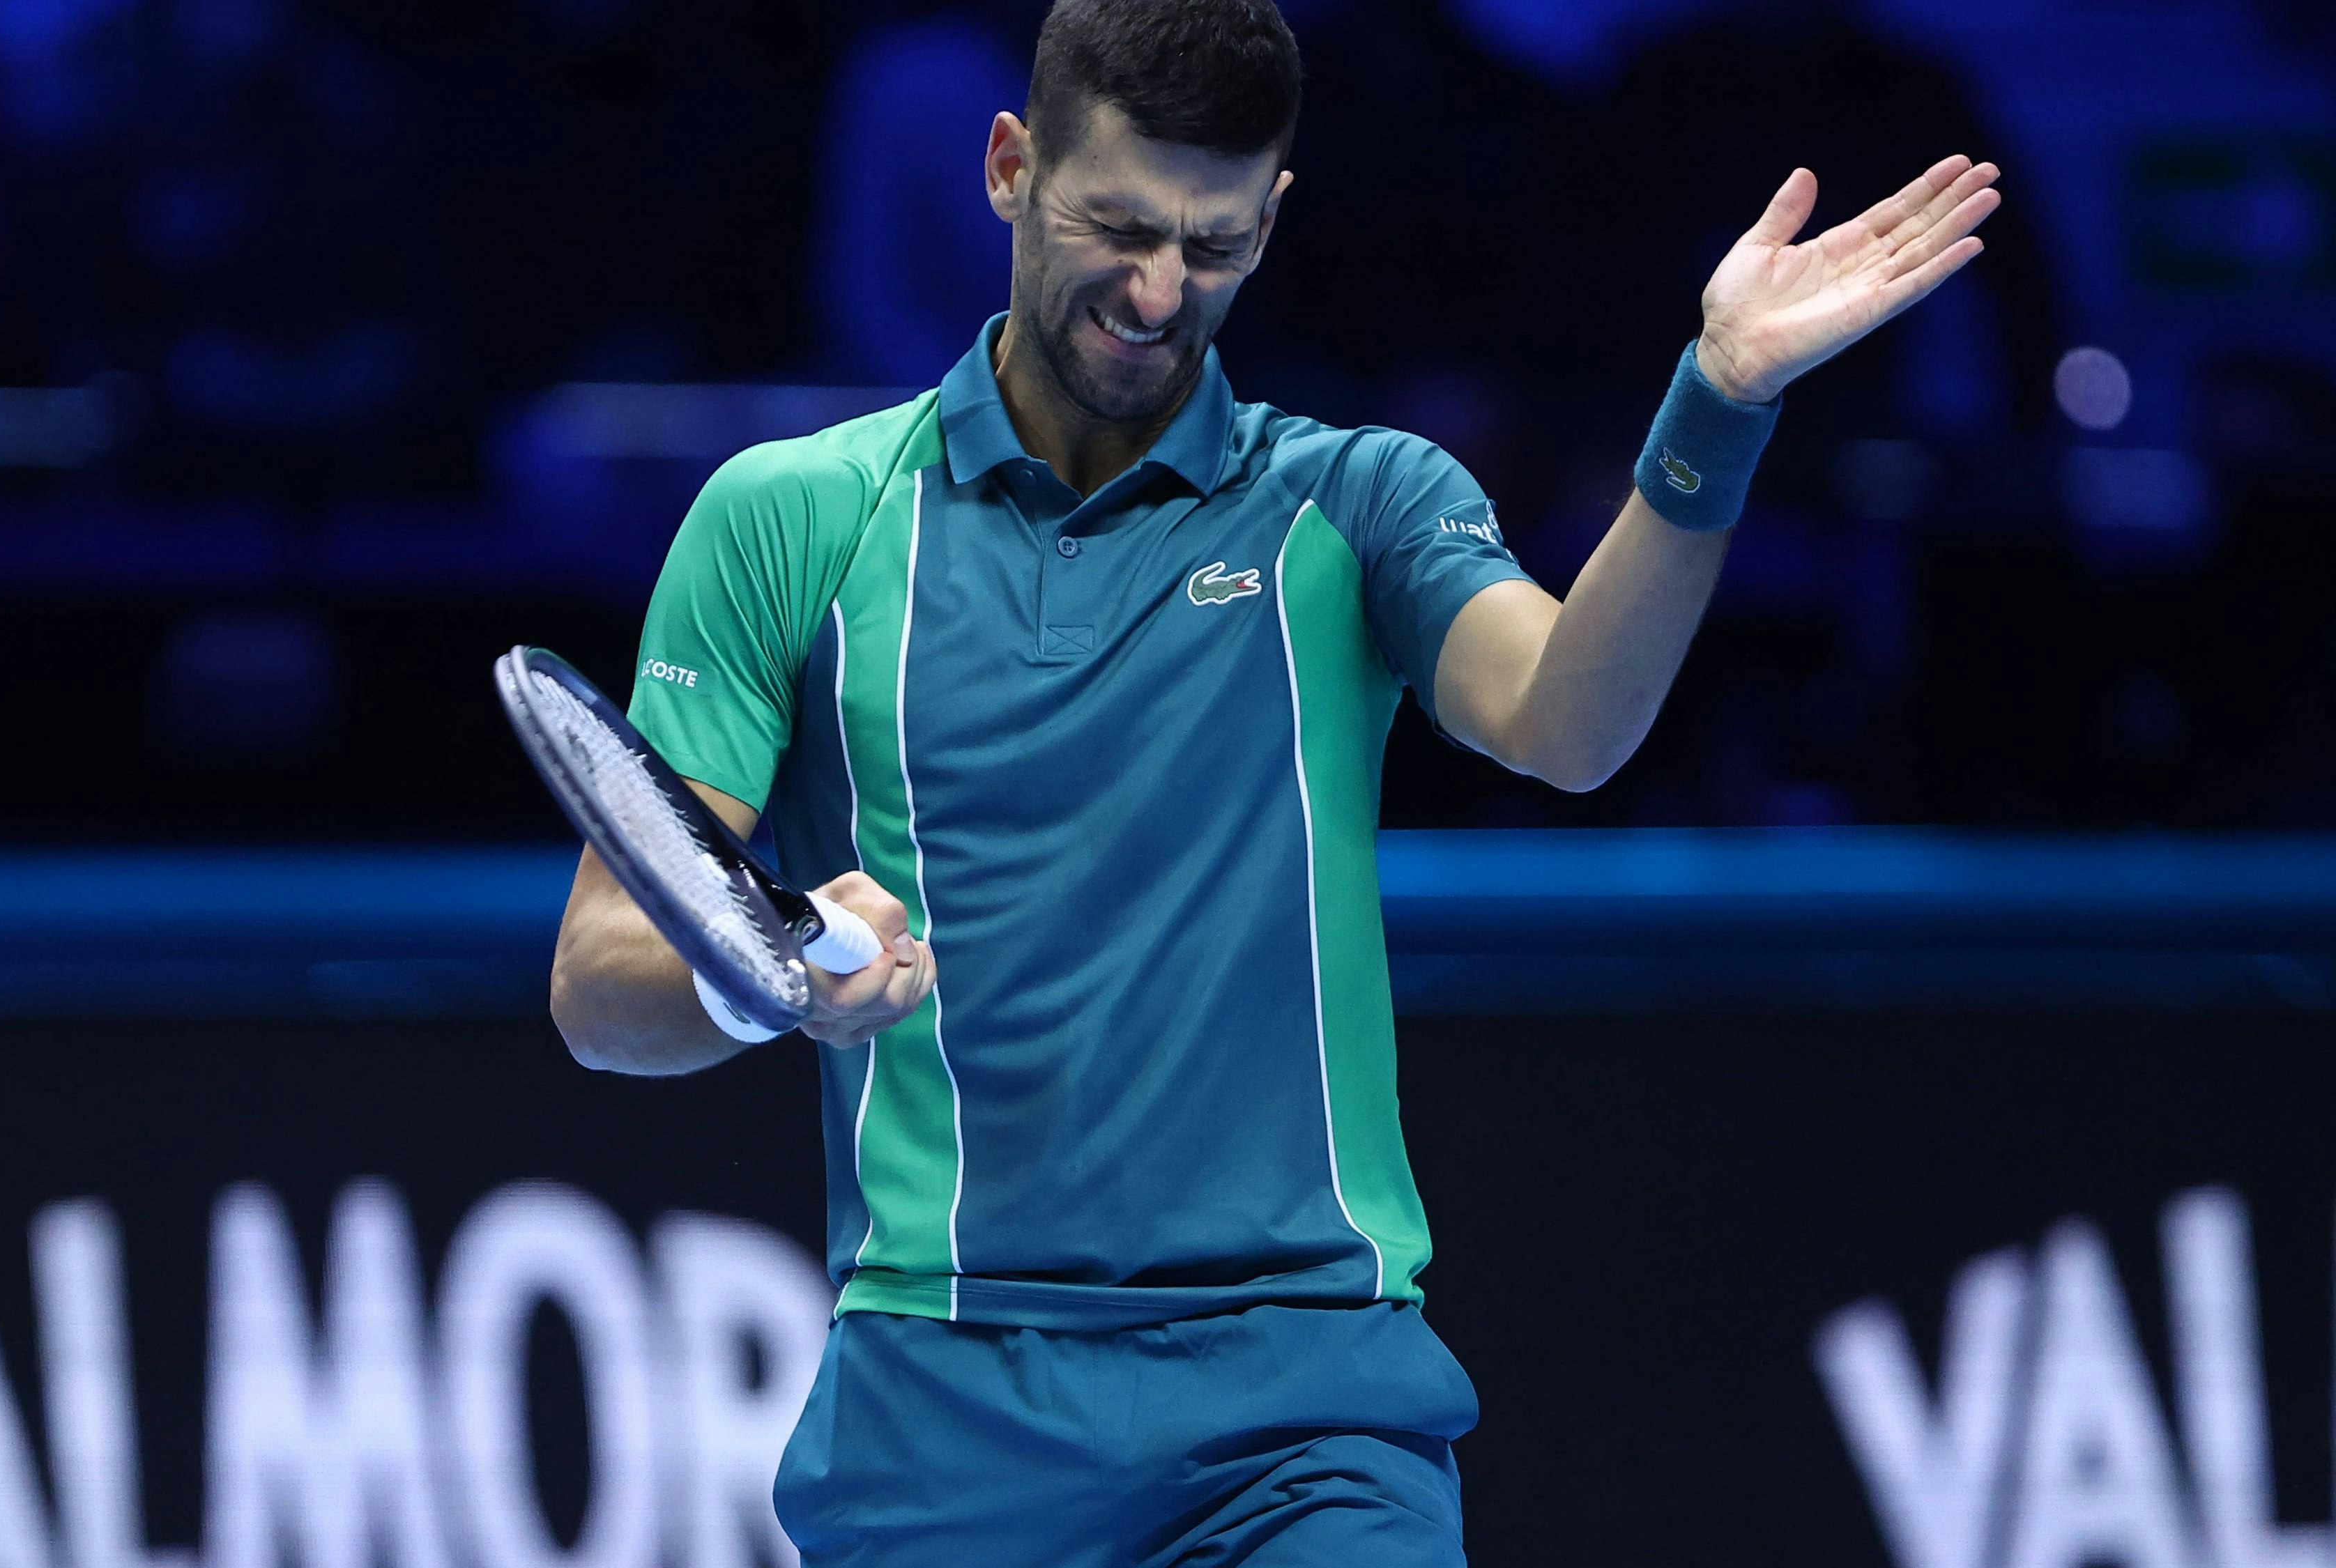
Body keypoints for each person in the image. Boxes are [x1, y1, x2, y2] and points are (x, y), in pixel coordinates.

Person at [549, 0, 2000, 1560]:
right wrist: (765, 981)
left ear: (1273, 216)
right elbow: (597, 985)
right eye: (1116, 225)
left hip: (1305, 1418)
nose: (1158, 292)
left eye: (1214, 245)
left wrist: (1715, 403)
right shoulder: (789, 520)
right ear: (1007, 168)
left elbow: (1566, 724)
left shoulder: (1357, 500)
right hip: (937, 1414)